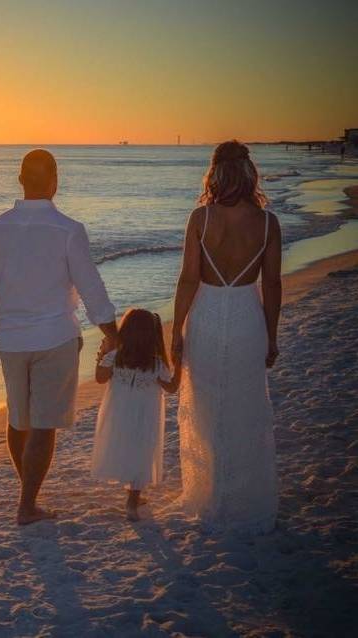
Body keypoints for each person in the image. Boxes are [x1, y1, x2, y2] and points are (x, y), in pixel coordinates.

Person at [0, 149, 117, 525]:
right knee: (43, 424)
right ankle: (27, 504)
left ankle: (27, 495)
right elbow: (90, 287)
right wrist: (112, 333)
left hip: (12, 339)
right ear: (54, 181)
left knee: (20, 421)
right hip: (55, 337)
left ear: (20, 180)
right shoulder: (68, 230)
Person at [171, 140, 281, 534]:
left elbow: (187, 279)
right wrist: (271, 336)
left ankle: (211, 494)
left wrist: (175, 331)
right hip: (247, 318)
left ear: (215, 173)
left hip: (206, 314)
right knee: (244, 404)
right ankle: (241, 497)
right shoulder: (267, 223)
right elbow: (272, 285)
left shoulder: (201, 219)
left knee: (207, 407)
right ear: (249, 172)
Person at [91, 309, 179, 522]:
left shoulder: (115, 357)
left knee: (125, 449)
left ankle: (132, 499)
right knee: (141, 453)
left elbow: (100, 379)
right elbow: (171, 388)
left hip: (118, 414)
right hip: (144, 416)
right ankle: (132, 502)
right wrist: (180, 364)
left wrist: (102, 355)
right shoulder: (156, 363)